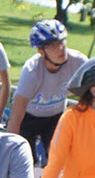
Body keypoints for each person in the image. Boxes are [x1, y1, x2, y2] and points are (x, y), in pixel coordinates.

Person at [7, 19, 84, 165]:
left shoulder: (78, 61)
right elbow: (17, 114)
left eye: (62, 42)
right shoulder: (32, 71)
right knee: (26, 160)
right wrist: (10, 149)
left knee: (58, 158)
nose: (61, 48)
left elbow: (92, 94)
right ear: (41, 51)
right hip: (28, 118)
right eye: (54, 45)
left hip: (55, 117)